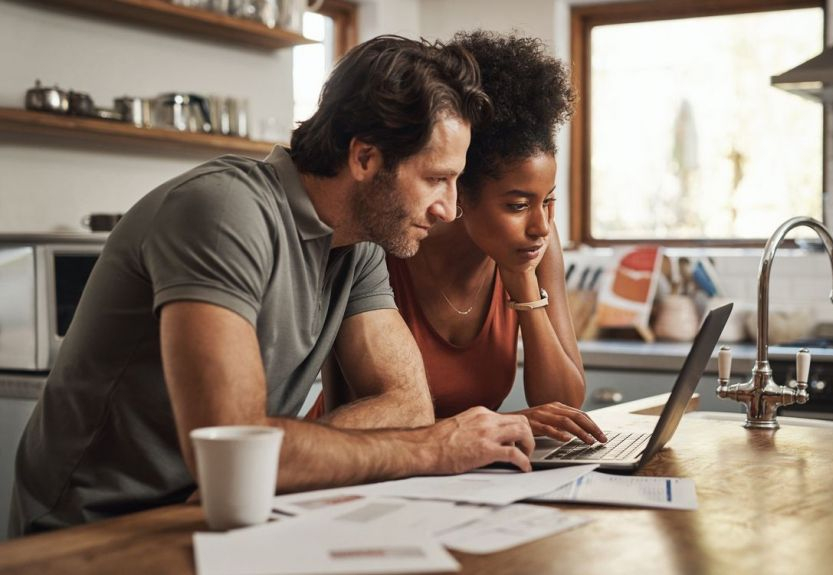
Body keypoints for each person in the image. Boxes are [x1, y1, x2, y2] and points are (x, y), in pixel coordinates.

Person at [9, 35, 536, 538]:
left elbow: (406, 405)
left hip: (227, 512)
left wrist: (275, 459)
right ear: (365, 158)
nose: (447, 209)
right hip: (98, 531)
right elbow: (236, 450)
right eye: (435, 178)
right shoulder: (223, 212)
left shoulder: (360, 245)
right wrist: (430, 449)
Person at [310, 31, 606, 445]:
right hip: (361, 460)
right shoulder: (388, 240)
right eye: (518, 205)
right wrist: (504, 424)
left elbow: (565, 405)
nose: (541, 225)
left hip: (462, 471)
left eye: (549, 202)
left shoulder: (533, 246)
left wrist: (521, 283)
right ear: (459, 190)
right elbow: (364, 410)